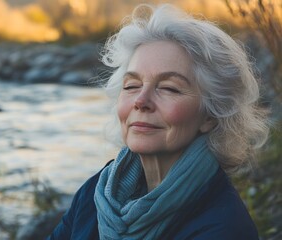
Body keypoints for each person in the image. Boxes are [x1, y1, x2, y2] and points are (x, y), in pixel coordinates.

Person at [47, 3, 269, 240]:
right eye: (131, 86)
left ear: (211, 115)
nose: (141, 101)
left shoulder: (223, 228)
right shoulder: (96, 193)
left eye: (169, 88)